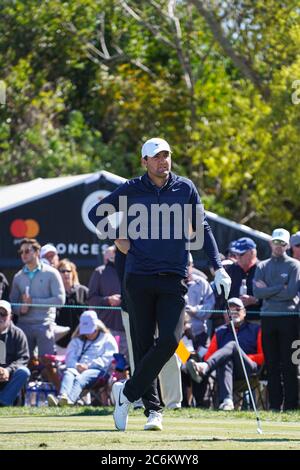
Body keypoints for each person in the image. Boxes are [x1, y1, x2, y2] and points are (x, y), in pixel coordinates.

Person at [88, 137, 231, 431]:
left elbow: (202, 226)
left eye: (166, 155)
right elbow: (95, 214)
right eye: (156, 157)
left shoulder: (185, 187)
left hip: (174, 277)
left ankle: (126, 393)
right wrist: (117, 237)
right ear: (145, 162)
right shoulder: (131, 189)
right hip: (138, 278)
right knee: (142, 345)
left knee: (169, 339)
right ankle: (154, 411)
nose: (162, 161)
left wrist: (217, 267)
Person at [186, 297, 264, 411]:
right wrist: (228, 356)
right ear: (225, 315)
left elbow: (262, 357)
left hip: (248, 369)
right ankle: (227, 401)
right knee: (226, 360)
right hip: (227, 371)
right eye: (230, 310)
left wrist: (243, 356)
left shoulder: (256, 329)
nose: (233, 313)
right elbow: (209, 356)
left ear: (244, 312)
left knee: (232, 345)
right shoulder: (219, 332)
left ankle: (204, 367)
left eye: (237, 309)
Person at [253, 228, 300, 411]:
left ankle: (290, 405)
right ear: (271, 243)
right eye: (276, 242)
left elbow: (291, 293)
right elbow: (257, 292)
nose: (278, 246)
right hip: (268, 318)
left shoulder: (294, 266)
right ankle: (274, 405)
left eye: (282, 243)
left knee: (289, 364)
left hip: (288, 319)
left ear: (287, 245)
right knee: (271, 363)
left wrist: (269, 290)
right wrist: (280, 286)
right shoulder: (262, 266)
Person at [47, 311, 118, 406]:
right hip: (77, 369)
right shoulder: (76, 340)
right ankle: (62, 397)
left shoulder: (107, 338)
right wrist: (76, 365)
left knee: (81, 378)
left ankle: (70, 401)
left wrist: (89, 366)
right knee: (69, 373)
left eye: (91, 331)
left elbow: (109, 357)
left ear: (97, 326)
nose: (88, 334)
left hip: (98, 371)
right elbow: (69, 357)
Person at [10, 238, 65, 358]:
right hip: (23, 326)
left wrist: (33, 302)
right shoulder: (18, 277)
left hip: (45, 325)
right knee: (23, 365)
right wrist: (20, 309)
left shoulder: (52, 273)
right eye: (21, 252)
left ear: (37, 252)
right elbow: (11, 304)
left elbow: (60, 300)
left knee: (47, 367)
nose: (23, 254)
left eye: (27, 251)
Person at [88, 245, 127, 357]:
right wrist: (108, 300)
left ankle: (182, 364)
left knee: (125, 365)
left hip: (128, 327)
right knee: (107, 363)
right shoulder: (99, 272)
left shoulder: (132, 271)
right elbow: (91, 300)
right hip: (106, 328)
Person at [0, 300, 30, 406]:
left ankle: (3, 402)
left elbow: (23, 358)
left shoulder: (18, 334)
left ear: (10, 317)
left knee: (24, 372)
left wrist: (8, 370)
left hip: (10, 377)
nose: (0, 317)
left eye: (3, 314)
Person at [55, 259, 89, 354]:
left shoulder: (84, 291)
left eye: (68, 271)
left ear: (73, 273)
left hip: (81, 340)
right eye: (62, 271)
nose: (66, 273)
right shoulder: (55, 293)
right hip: (60, 342)